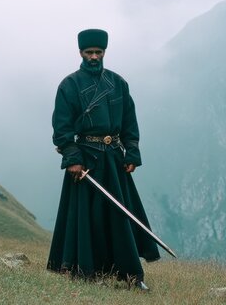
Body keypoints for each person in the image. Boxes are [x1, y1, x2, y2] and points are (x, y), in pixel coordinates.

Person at [47, 28, 160, 291]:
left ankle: (131, 275)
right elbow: (62, 130)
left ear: (104, 52)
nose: (94, 57)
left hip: (113, 160)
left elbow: (130, 122)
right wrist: (72, 158)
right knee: (88, 218)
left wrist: (131, 153)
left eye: (98, 52)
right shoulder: (69, 85)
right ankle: (85, 271)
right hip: (84, 161)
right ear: (80, 53)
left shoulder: (118, 83)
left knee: (119, 216)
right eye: (89, 52)